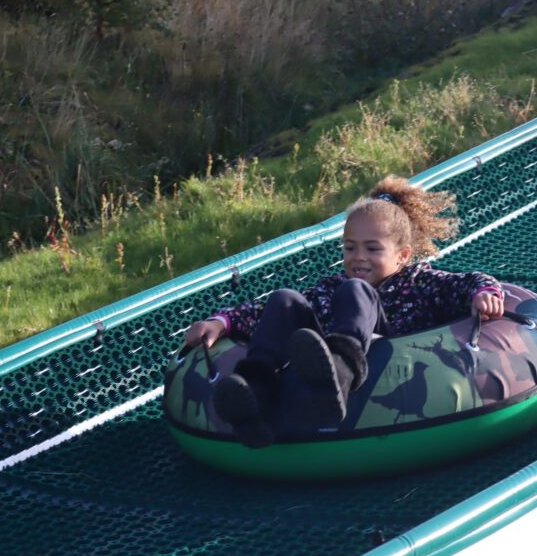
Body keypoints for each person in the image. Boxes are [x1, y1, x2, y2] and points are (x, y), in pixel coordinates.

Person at [183, 175, 504, 435]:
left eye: (372, 249)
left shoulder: (421, 283)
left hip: (378, 361)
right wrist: (221, 322)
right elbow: (262, 314)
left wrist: (483, 294)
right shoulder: (331, 288)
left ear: (403, 255)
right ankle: (254, 394)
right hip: (317, 361)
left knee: (356, 291)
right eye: (350, 248)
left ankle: (340, 372)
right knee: (284, 299)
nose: (358, 257)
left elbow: (467, 282)